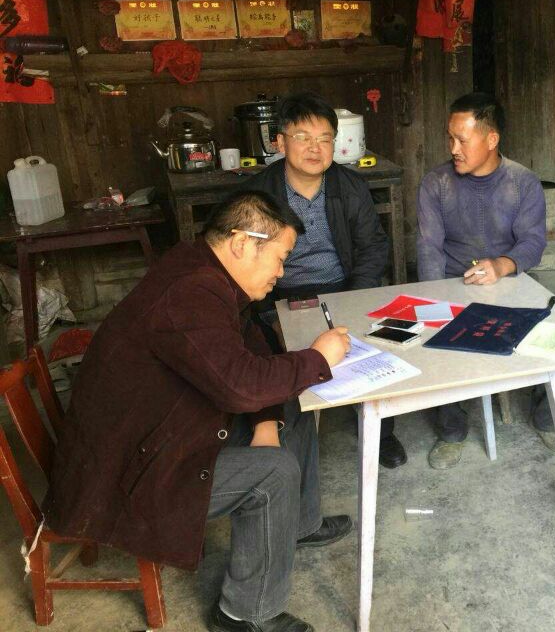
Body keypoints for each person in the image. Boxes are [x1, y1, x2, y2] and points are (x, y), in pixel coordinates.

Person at [45, 191, 353, 632]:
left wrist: (266, 423)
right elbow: (241, 387)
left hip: (162, 435)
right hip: (129, 475)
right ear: (242, 243)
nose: (282, 273)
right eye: (281, 258)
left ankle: (298, 525)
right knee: (274, 473)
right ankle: (244, 612)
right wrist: (318, 358)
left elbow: (253, 353)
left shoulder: (204, 272)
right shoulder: (191, 291)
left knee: (293, 403)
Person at [240, 91, 407, 469]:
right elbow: (246, 264)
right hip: (280, 292)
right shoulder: (259, 194)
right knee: (264, 353)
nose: (314, 148)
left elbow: (373, 247)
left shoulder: (349, 186)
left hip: (342, 286)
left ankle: (382, 432)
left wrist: (352, 299)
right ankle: (282, 433)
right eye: (302, 137)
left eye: (324, 138)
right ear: (279, 142)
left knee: (375, 345)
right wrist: (268, 311)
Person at [417, 92, 550, 469]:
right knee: (437, 338)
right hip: (452, 283)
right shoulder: (436, 183)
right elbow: (429, 249)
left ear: (492, 139)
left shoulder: (522, 182)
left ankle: (546, 416)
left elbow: (533, 243)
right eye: (450, 138)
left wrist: (503, 265)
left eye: (462, 139)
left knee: (549, 330)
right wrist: (436, 303)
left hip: (508, 280)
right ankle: (452, 430)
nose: (453, 149)